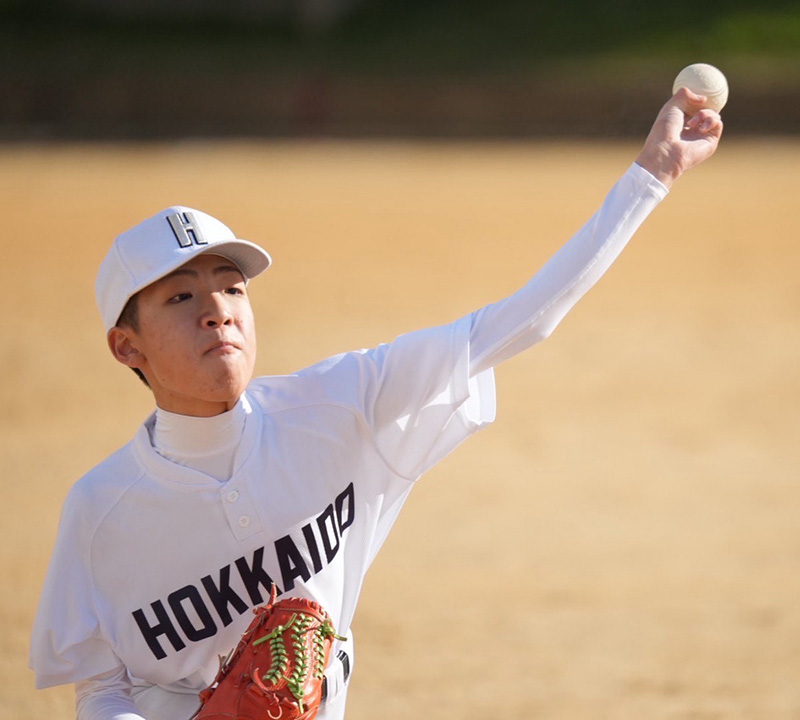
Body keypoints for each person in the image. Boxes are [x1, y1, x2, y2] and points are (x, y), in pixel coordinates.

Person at [29, 89, 722, 720]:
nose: (218, 313)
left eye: (232, 288)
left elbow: (521, 322)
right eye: (181, 298)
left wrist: (651, 177)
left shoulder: (341, 408)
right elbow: (102, 687)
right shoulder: (102, 513)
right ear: (128, 348)